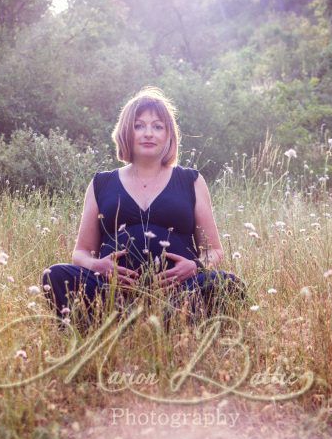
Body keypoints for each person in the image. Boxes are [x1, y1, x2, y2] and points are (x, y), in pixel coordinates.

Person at [42, 86, 244, 327]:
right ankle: (108, 326)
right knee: (54, 276)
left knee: (228, 284)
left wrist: (195, 266)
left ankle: (172, 322)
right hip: (110, 290)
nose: (149, 133)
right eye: (139, 125)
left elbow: (215, 251)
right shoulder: (101, 183)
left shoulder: (191, 180)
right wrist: (98, 266)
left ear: (169, 135)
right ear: (126, 132)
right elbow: (81, 253)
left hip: (180, 290)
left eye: (158, 126)